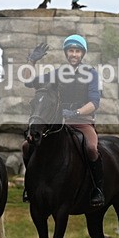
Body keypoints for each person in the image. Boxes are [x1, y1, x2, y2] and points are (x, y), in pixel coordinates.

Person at [21, 34, 104, 207]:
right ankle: (30, 186)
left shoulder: (91, 74)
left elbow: (94, 102)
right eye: (71, 51)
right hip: (58, 123)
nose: (74, 54)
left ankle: (97, 189)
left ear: (82, 54)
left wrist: (75, 112)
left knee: (91, 148)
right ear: (66, 53)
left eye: (77, 51)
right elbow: (29, 82)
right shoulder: (58, 73)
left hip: (82, 121)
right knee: (27, 146)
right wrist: (31, 61)